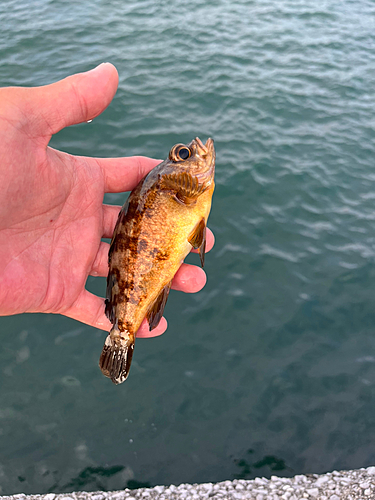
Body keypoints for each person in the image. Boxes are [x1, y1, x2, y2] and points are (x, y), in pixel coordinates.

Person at [0, 62, 214, 338]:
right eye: (183, 155)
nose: (192, 154)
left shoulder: (177, 190)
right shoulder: (172, 187)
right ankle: (123, 332)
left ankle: (123, 328)